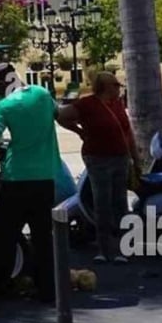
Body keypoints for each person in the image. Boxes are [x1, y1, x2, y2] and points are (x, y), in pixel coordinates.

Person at [0, 63, 57, 302]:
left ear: (2, 82)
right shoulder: (43, 95)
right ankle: (47, 288)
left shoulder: (5, 106)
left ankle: (0, 285)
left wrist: (7, 155)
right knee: (43, 236)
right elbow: (59, 115)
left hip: (16, 180)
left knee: (5, 233)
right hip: (45, 178)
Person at [56, 70, 134, 264]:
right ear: (105, 87)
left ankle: (120, 248)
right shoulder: (87, 104)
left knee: (120, 203)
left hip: (120, 158)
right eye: (115, 85)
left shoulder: (117, 104)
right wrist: (79, 131)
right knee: (102, 202)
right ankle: (103, 248)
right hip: (98, 158)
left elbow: (127, 131)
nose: (119, 88)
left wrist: (136, 159)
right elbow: (61, 116)